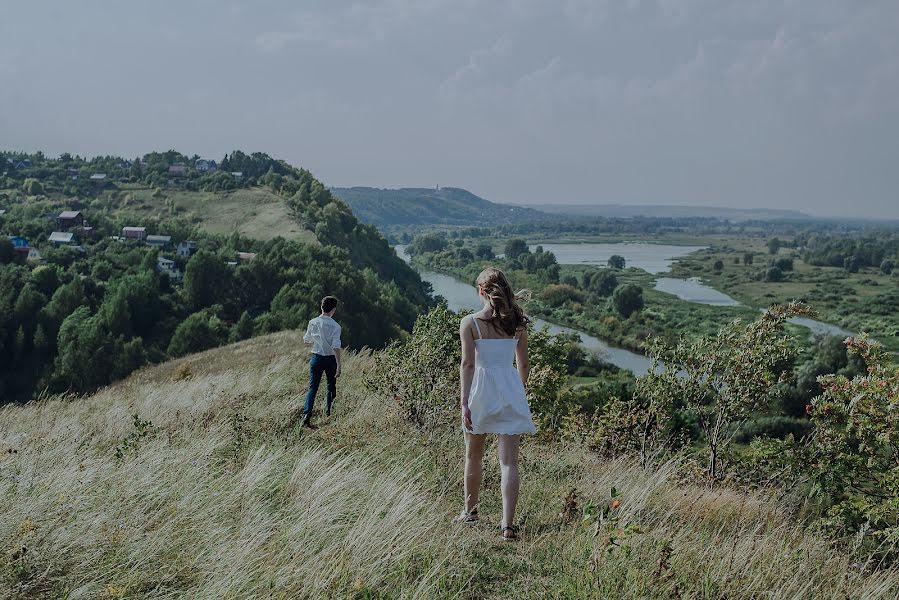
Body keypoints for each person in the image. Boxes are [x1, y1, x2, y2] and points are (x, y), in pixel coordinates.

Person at [454, 267, 536, 541]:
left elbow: (468, 364)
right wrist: (516, 391)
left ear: (481, 291)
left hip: (480, 391)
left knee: (473, 455)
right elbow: (523, 364)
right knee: (509, 462)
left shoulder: (470, 323)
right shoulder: (518, 322)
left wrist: (464, 402)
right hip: (509, 390)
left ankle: (471, 512)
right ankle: (507, 526)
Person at [302, 295, 342, 428]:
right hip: (330, 359)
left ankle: (307, 415)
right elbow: (336, 346)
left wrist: (316, 339)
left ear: (321, 307)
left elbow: (306, 339)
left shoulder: (313, 322)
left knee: (313, 387)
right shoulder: (336, 326)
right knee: (331, 386)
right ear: (333, 310)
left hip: (316, 357)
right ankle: (329, 414)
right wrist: (339, 365)